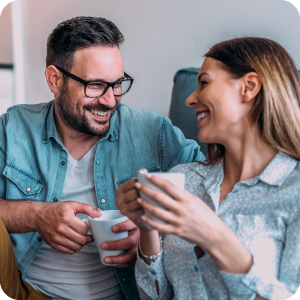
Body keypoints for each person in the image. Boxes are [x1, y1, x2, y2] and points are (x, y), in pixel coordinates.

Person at [0, 16, 204, 300]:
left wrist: (152, 239)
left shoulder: (153, 132)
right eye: (95, 85)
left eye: (117, 83)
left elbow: (211, 196)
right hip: (28, 290)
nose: (110, 100)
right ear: (54, 79)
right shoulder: (13, 128)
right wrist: (37, 216)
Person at [116, 37, 300, 300]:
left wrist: (215, 236)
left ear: (248, 87)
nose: (190, 99)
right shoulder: (185, 179)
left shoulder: (294, 193)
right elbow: (154, 297)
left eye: (204, 83)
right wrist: (147, 229)